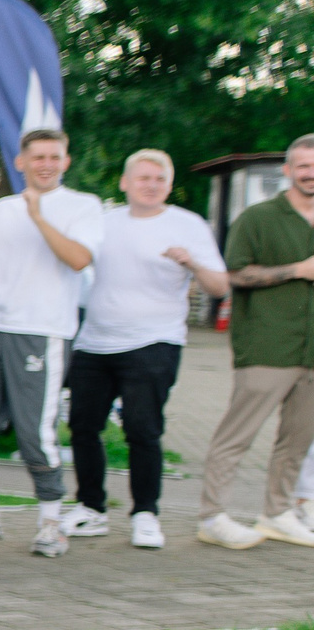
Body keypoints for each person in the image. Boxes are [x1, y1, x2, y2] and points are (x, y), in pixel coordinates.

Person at [0, 127, 105, 557]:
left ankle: (52, 521)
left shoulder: (83, 206)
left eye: (54, 157)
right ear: (21, 163)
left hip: (44, 330)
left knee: (35, 433)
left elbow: (78, 259)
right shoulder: (0, 210)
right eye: (38, 157)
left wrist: (39, 216)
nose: (46, 164)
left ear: (66, 161)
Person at [63, 149, 225, 549]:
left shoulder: (187, 225)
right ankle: (91, 508)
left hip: (154, 341)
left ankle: (146, 514)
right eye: (143, 178)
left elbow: (220, 287)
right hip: (95, 342)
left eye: (159, 179)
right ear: (124, 183)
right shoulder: (102, 223)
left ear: (169, 186)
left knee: (143, 429)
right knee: (83, 427)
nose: (151, 185)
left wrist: (192, 264)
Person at [195, 133, 314, 549]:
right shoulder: (259, 218)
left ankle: (278, 513)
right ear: (287, 171)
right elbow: (235, 275)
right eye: (302, 166)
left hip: (312, 351)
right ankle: (212, 516)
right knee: (236, 436)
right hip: (268, 345)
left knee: (297, 440)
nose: (310, 173)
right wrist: (298, 269)